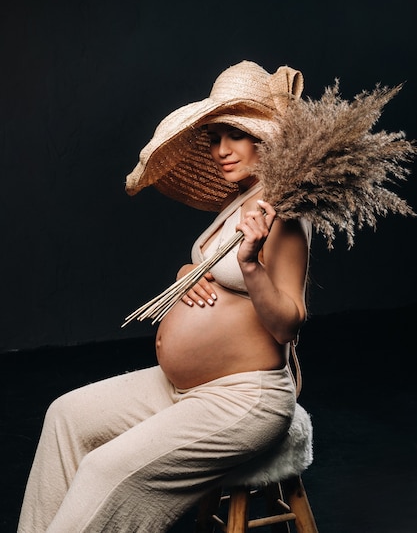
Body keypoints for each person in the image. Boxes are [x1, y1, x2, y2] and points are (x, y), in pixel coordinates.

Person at [17, 60, 311, 532]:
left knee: (104, 469)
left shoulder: (288, 212)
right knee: (65, 416)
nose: (220, 150)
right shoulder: (241, 201)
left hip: (243, 400)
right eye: (214, 138)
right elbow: (209, 265)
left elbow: (287, 323)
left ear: (265, 138)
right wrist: (188, 272)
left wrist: (252, 265)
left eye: (233, 135)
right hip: (184, 387)